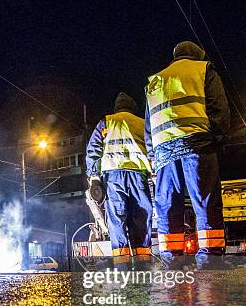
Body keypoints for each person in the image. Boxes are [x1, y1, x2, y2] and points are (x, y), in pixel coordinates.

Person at [144, 41, 230, 268]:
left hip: (163, 154)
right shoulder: (203, 70)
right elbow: (219, 108)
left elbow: (149, 126)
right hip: (197, 145)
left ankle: (172, 259)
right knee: (205, 201)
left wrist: (153, 157)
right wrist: (217, 139)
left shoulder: (155, 81)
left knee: (168, 206)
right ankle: (210, 257)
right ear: (197, 55)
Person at [86, 92, 153, 265]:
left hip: (114, 178)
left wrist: (94, 176)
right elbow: (153, 147)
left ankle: (122, 265)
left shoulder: (106, 122)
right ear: (133, 108)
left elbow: (93, 150)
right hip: (138, 177)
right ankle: (142, 264)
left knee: (117, 221)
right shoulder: (143, 123)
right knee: (141, 219)